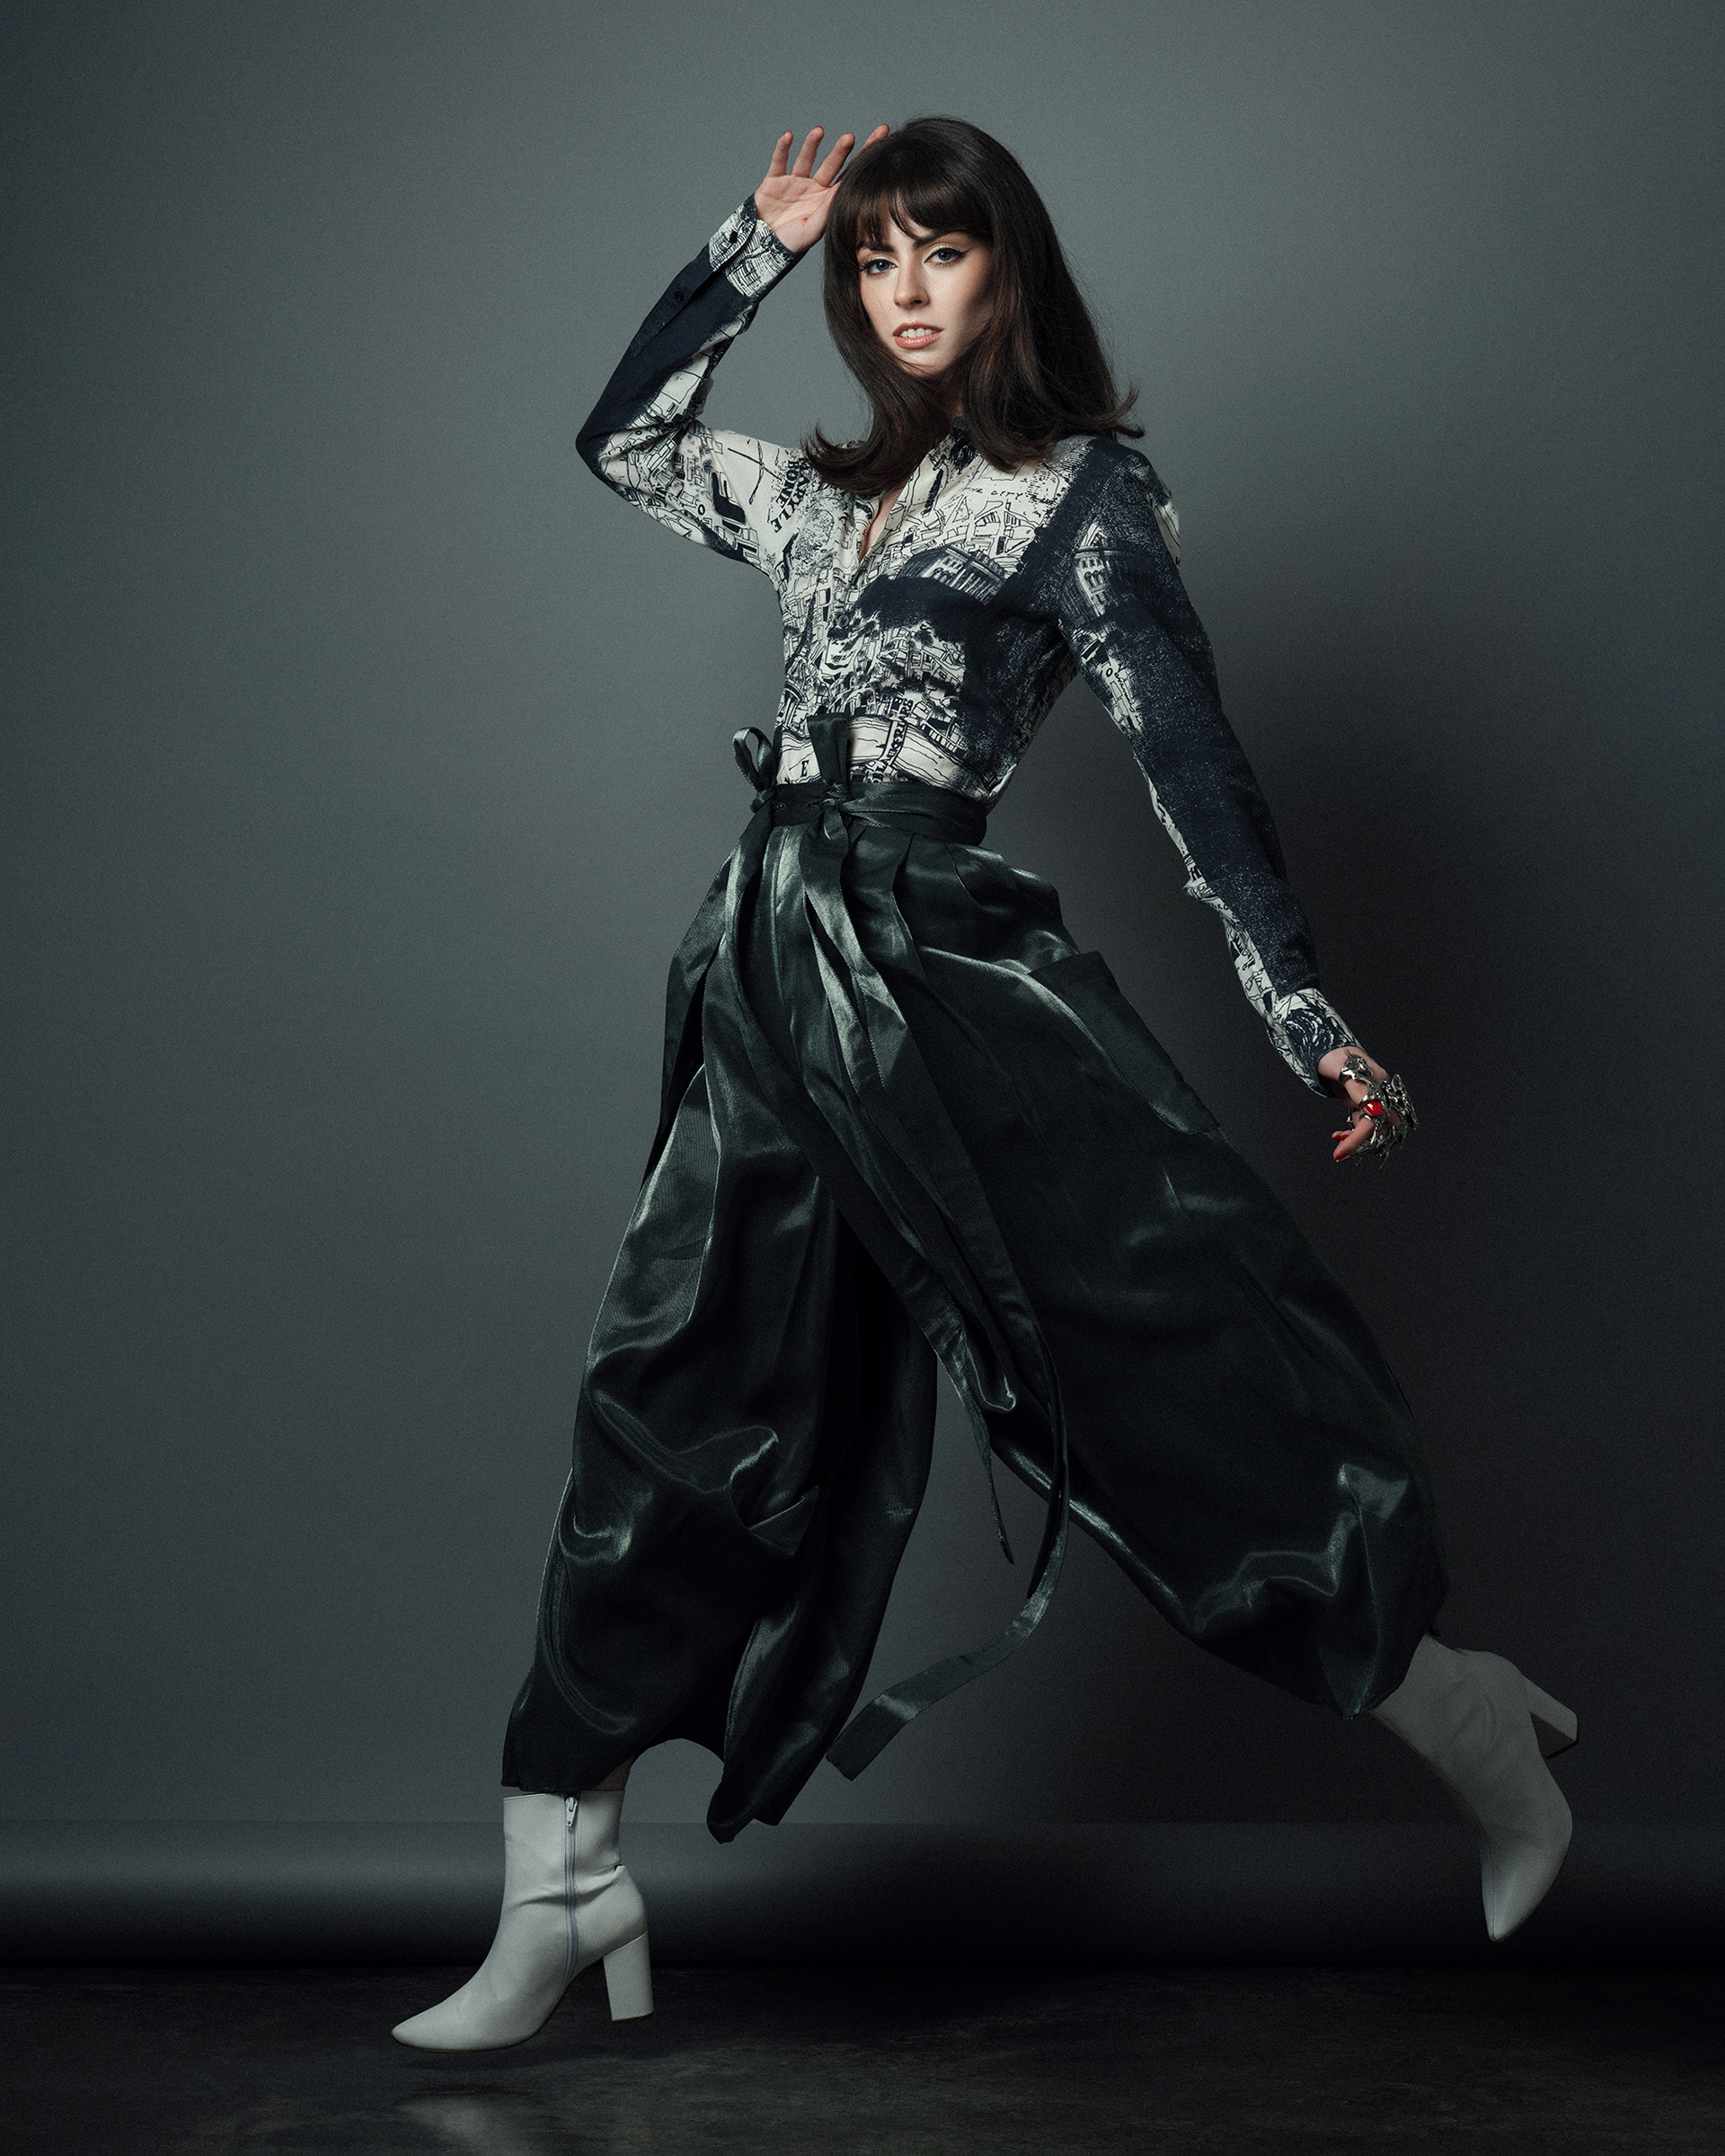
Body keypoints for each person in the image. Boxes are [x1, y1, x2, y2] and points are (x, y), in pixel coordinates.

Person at [392, 117, 1577, 2052]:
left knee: (1153, 1362)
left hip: (942, 971)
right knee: (672, 1394)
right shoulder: (822, 493)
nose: (903, 292)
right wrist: (750, 246)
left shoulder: (1084, 500)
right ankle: (561, 1879)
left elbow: (1196, 769)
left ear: (1009, 267)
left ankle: (1460, 1711)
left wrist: (1303, 1013)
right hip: (775, 964)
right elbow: (623, 441)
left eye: (939, 252)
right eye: (875, 263)